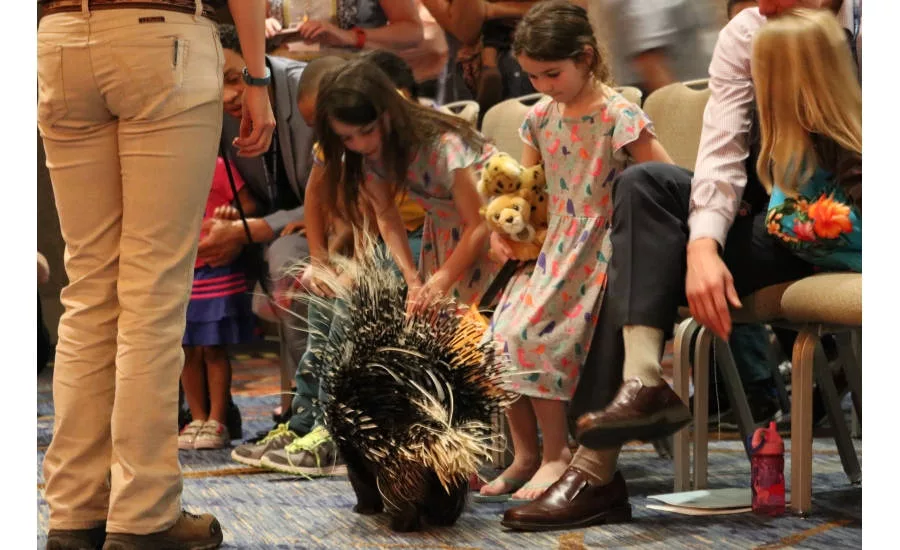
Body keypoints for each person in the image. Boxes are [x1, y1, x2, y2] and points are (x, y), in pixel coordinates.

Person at [501, 0, 861, 531]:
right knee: (641, 185)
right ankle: (642, 381)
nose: (758, 5)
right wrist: (702, 246)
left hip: (821, 232)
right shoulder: (752, 28)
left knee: (628, 257)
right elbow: (721, 155)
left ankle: (594, 469)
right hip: (762, 214)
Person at [38, 0, 275, 548]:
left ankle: (75, 511)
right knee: (153, 293)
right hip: (159, 36)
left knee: (89, 292)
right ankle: (144, 513)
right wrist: (257, 77)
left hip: (59, 36)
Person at [475, 0, 674, 503]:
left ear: (585, 58)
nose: (543, 85)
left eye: (552, 73)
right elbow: (529, 193)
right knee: (495, 338)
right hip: (552, 248)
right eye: (532, 76)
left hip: (601, 250)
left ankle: (556, 454)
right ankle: (526, 454)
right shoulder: (539, 118)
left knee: (535, 337)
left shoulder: (618, 115)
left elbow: (667, 179)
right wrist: (507, 231)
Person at [244, 50, 437, 476]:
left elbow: (393, 215)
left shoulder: (405, 132)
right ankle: (306, 420)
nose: (328, 133)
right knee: (323, 298)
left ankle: (337, 429)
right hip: (382, 240)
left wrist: (362, 265)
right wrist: (322, 262)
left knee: (352, 300)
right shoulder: (346, 138)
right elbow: (329, 199)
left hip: (424, 241)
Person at [196, 24, 318, 438]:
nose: (227, 96)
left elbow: (340, 194)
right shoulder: (217, 113)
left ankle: (310, 413)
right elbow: (245, 194)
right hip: (267, 226)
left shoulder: (307, 91)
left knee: (287, 260)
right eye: (215, 85)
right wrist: (231, 227)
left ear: (255, 61)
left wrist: (250, 230)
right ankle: (200, 411)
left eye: (234, 78)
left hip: (328, 224)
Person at [178, 157, 260, 451]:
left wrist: (232, 216)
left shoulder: (217, 165)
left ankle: (217, 419)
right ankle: (197, 417)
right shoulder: (161, 168)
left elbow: (248, 205)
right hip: (182, 267)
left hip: (216, 265)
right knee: (186, 348)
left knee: (213, 346)